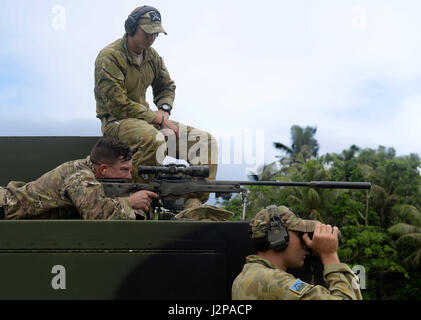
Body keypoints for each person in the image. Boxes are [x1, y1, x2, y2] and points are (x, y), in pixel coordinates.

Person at [94, 5, 218, 210]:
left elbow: (166, 86)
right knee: (154, 138)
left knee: (205, 142)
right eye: (147, 32)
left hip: (146, 121)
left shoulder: (152, 57)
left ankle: (193, 203)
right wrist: (157, 119)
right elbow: (117, 105)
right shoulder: (110, 57)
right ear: (131, 27)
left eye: (155, 34)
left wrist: (164, 109)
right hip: (116, 123)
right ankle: (137, 201)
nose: (151, 38)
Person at [0, 137, 158, 220]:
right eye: (124, 170)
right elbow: (97, 215)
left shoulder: (87, 169)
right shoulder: (80, 176)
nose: (129, 176)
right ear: (103, 169)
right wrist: (130, 202)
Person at [231, 205, 363, 300]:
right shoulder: (274, 281)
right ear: (278, 236)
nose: (306, 244)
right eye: (300, 235)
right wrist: (330, 256)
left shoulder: (246, 276)